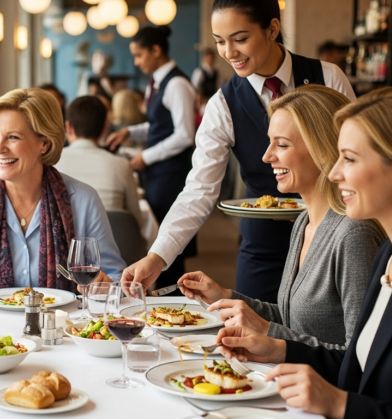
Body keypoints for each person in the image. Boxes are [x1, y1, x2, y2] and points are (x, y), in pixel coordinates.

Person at [119, 0, 356, 303]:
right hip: (265, 245)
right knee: (251, 324)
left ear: (272, 28)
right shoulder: (222, 104)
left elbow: (357, 157)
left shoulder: (328, 77)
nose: (229, 52)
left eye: (240, 39)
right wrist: (157, 256)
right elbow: (199, 190)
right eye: (220, 42)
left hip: (333, 235)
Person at [215, 87, 392, 419]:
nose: (333, 172)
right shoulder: (391, 255)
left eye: (350, 158)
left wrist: (341, 404)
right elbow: (357, 366)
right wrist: (278, 348)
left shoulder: (379, 247)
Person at [178, 85, 384, 350]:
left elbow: (360, 358)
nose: (266, 156)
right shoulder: (304, 221)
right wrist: (225, 296)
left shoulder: (354, 235)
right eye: (270, 142)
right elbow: (292, 321)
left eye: (282, 144)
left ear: (323, 149)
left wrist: (268, 333)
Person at [0, 88, 126, 296]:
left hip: (63, 317)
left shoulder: (83, 200)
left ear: (44, 143)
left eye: (13, 137)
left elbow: (115, 276)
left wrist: (107, 286)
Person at [105, 25, 197, 292]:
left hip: (171, 175)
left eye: (139, 55)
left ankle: (175, 303)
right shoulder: (156, 83)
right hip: (159, 173)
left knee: (172, 245)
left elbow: (185, 135)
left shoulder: (177, 84)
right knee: (161, 243)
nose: (136, 62)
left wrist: (146, 156)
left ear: (156, 50)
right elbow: (159, 126)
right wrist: (130, 131)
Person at [54, 96, 144, 230]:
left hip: (64, 241)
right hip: (115, 241)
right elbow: (137, 222)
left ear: (68, 127)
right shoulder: (121, 165)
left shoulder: (52, 163)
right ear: (104, 129)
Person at [191, 48, 219, 117]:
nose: (210, 60)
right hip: (202, 101)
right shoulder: (199, 71)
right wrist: (199, 100)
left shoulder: (215, 73)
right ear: (204, 58)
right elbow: (194, 87)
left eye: (212, 58)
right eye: (208, 58)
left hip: (212, 99)